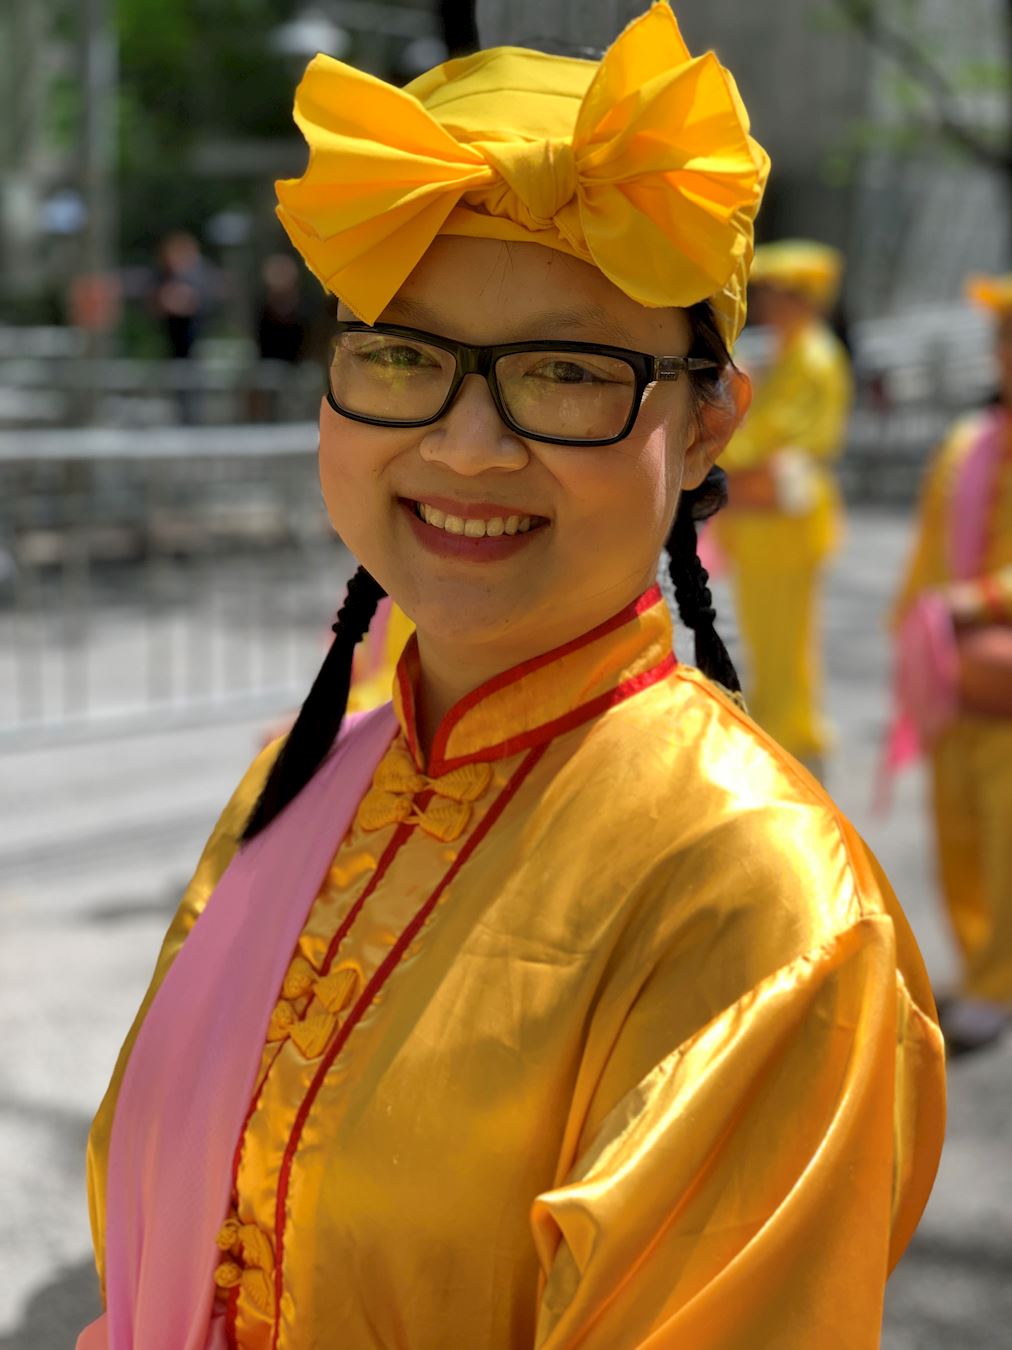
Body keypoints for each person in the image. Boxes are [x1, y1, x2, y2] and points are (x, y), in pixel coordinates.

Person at [79, 8, 944, 1348]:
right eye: (401, 353)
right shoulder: (301, 783)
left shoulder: (764, 906)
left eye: (566, 371)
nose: (467, 446)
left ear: (708, 422)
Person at [889, 271, 1012, 1056]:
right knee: (956, 832)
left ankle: (998, 980)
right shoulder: (969, 443)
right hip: (953, 675)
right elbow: (929, 549)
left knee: (1005, 840)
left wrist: (985, 600)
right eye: (1005, 339)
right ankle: (978, 962)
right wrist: (910, 628)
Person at [712, 240, 853, 777]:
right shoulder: (789, 353)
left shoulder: (814, 358)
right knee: (768, 635)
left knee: (784, 638)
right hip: (766, 524)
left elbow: (783, 439)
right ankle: (781, 730)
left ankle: (793, 737)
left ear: (805, 299)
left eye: (780, 293)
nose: (770, 303)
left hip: (787, 524)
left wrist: (723, 446)